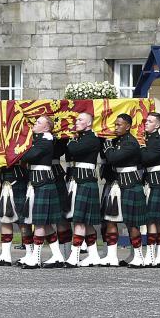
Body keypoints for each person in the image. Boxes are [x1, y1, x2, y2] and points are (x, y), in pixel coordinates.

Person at [101, 113, 146, 268]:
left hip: (129, 183)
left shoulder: (131, 143)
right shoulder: (118, 141)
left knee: (131, 222)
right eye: (115, 124)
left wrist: (107, 148)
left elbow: (113, 158)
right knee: (111, 219)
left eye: (119, 124)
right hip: (117, 183)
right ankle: (112, 256)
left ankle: (139, 257)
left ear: (128, 126)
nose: (116, 127)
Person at [18, 116, 63, 268]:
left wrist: (17, 152)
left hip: (43, 182)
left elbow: (29, 155)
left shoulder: (45, 141)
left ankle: (36, 258)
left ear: (46, 128)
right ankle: (57, 256)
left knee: (39, 222)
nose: (34, 124)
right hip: (37, 183)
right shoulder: (40, 140)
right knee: (47, 224)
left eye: (38, 123)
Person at [64, 112, 103, 267]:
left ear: (88, 123)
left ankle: (74, 256)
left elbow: (73, 151)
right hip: (77, 181)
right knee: (85, 223)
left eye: (80, 120)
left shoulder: (91, 139)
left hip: (85, 181)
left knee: (79, 220)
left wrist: (72, 141)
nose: (76, 122)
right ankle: (94, 255)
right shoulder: (81, 138)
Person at [140, 112, 160, 267]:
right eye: (146, 120)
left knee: (153, 219)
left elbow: (146, 158)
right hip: (149, 180)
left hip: (159, 181)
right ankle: (159, 255)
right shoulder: (147, 140)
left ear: (158, 125)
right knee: (153, 219)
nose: (146, 123)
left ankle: (155, 255)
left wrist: (140, 145)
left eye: (150, 121)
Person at [0, 162, 29, 266]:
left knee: (22, 220)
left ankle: (30, 254)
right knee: (5, 217)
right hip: (7, 177)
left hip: (19, 177)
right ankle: (5, 255)